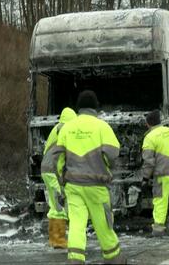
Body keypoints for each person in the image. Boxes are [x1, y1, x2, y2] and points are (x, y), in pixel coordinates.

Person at [44, 90, 125, 264]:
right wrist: (107, 168)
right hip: (97, 185)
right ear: (95, 107)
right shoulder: (102, 127)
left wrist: (61, 182)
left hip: (73, 186)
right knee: (103, 223)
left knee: (77, 225)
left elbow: (56, 160)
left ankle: (75, 259)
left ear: (78, 108)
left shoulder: (67, 128)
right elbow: (113, 154)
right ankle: (114, 258)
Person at [140, 110, 169, 236]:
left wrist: (145, 178)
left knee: (160, 200)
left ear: (148, 124)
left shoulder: (149, 137)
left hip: (161, 175)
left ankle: (158, 229)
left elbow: (149, 162)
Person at [40, 107, 77, 249]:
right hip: (53, 172)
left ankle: (57, 239)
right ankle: (58, 240)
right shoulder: (64, 128)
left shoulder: (56, 128)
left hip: (47, 169)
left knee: (55, 204)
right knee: (60, 203)